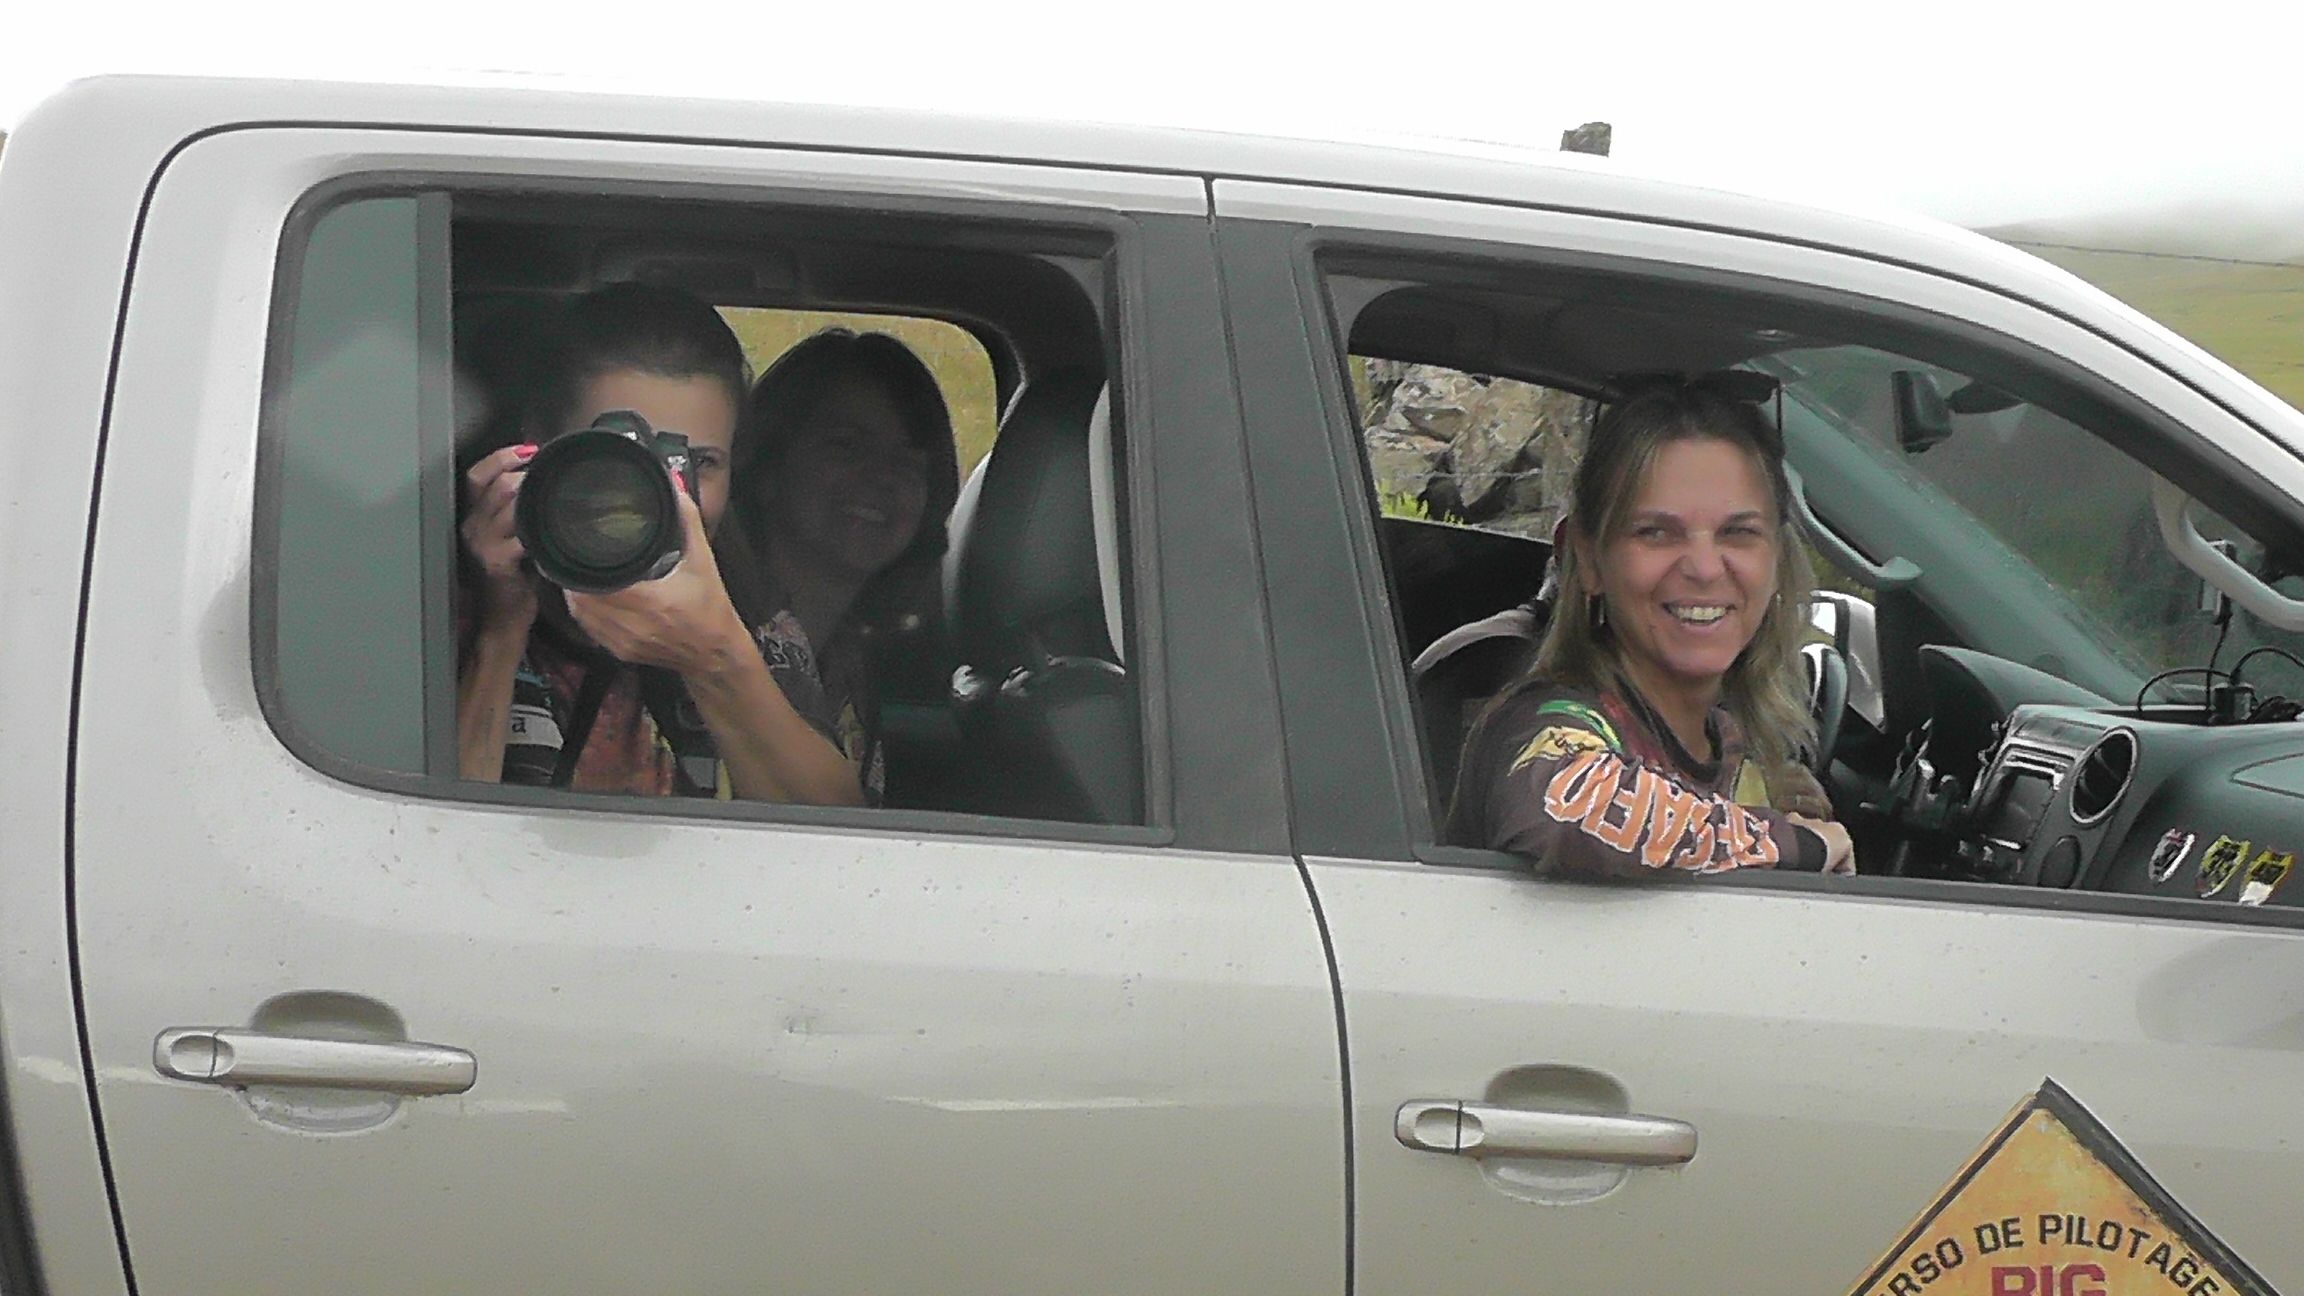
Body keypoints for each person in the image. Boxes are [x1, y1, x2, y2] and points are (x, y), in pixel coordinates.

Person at [455, 283, 868, 806]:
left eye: (695, 464)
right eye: (620, 457)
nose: (657, 496)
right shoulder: (443, 598)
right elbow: (423, 850)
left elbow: (840, 851)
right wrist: (500, 631)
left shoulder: (747, 616)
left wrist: (715, 657)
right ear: (536, 446)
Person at [1447, 374, 1858, 877]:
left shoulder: (1729, 741)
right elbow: (1565, 812)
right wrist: (1797, 844)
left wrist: (1786, 810)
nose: (1705, 569)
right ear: (1590, 560)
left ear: (1776, 560)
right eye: (1656, 532)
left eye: (1738, 532)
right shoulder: (1543, 720)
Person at [713, 329, 962, 807]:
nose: (881, 477)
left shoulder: (851, 662)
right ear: (766, 468)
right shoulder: (706, 630)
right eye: (847, 448)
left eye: (909, 462)